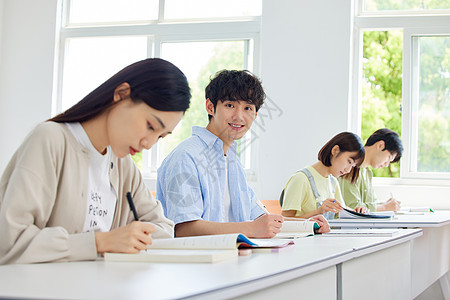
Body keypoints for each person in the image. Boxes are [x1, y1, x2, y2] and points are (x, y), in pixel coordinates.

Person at [0, 58, 191, 264]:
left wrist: (130, 239)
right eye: (151, 126)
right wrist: (100, 242)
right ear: (121, 94)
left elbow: (162, 229)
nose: (149, 143)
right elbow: (10, 241)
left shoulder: (123, 165)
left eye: (161, 136)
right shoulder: (50, 139)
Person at [157, 70, 330, 238]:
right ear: (210, 107)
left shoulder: (231, 160)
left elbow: (260, 220)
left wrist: (306, 224)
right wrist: (251, 228)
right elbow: (183, 228)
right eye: (230, 105)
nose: (239, 116)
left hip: (230, 260)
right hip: (196, 264)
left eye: (248, 108)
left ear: (255, 115)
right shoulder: (186, 157)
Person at [281, 132, 366, 220]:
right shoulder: (300, 179)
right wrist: (318, 211)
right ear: (335, 150)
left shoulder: (333, 182)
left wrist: (356, 211)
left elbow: (341, 210)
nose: (348, 170)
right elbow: (285, 220)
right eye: (349, 162)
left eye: (352, 166)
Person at [338, 128, 403, 212]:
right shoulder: (351, 167)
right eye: (388, 158)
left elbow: (371, 202)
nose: (386, 165)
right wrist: (384, 208)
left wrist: (384, 205)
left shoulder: (367, 172)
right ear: (380, 145)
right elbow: (353, 207)